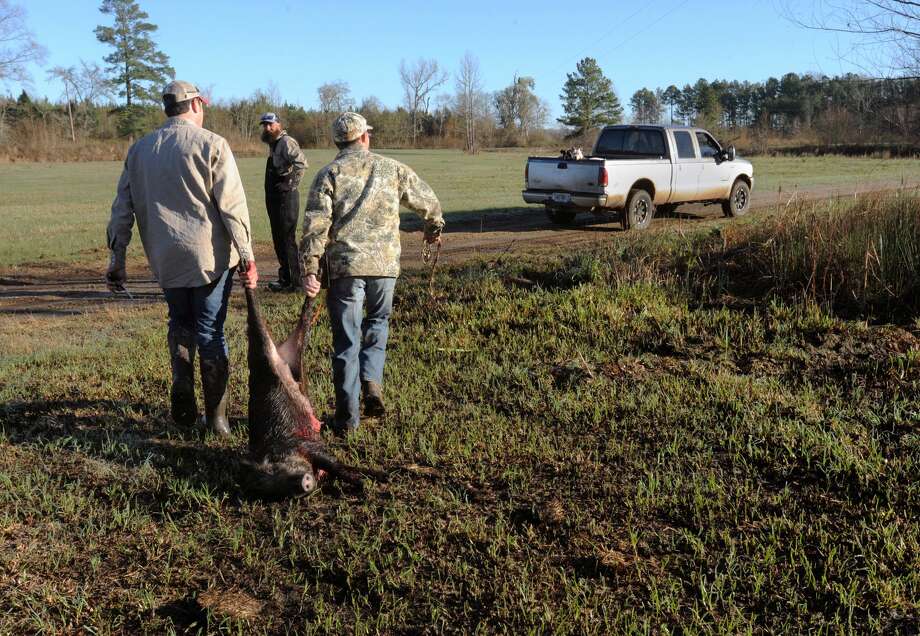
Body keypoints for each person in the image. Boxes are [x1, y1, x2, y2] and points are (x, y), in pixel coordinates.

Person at [105, 80, 260, 437]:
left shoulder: (140, 150)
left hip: (166, 258)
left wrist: (118, 258)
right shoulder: (212, 144)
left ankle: (182, 380)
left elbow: (121, 210)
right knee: (210, 331)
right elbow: (233, 207)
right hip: (209, 259)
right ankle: (217, 420)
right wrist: (247, 254)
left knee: (179, 321)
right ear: (195, 105)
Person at [300, 112, 444, 435]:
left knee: (346, 342)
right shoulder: (392, 168)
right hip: (384, 268)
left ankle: (347, 420)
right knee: (378, 323)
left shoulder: (328, 174)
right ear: (364, 137)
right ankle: (371, 382)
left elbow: (315, 226)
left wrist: (310, 268)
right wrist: (433, 230)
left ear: (338, 142)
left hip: (346, 269)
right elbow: (429, 202)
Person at [260, 112, 307, 292]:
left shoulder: (286, 142)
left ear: (278, 124)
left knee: (287, 240)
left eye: (270, 124)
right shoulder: (273, 144)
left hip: (286, 198)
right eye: (265, 125)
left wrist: (291, 183)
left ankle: (296, 283)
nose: (267, 128)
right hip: (274, 197)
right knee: (278, 239)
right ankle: (285, 279)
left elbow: (301, 163)